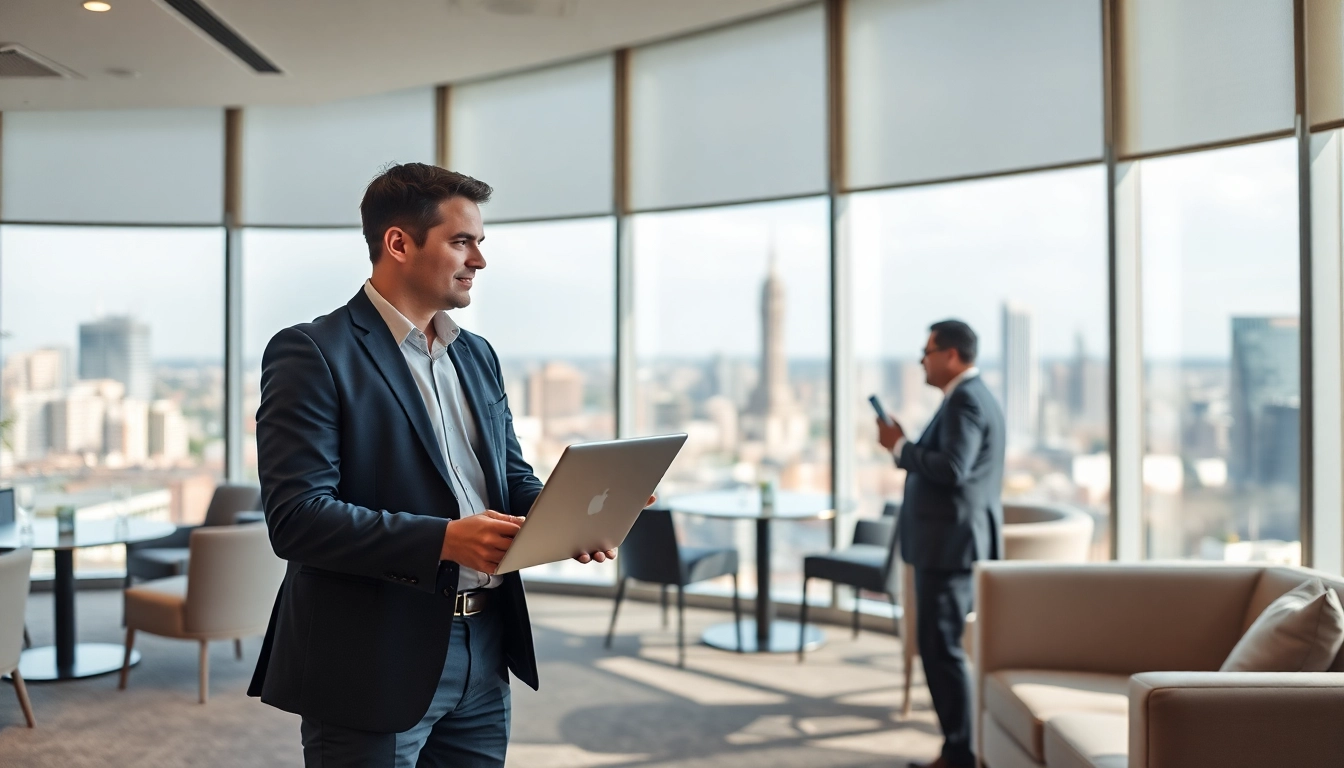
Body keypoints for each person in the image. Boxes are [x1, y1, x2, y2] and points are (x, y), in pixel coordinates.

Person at [247, 163, 634, 767]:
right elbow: (297, 519)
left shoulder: (476, 355)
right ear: (399, 243)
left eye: (480, 243)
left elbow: (509, 478)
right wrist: (446, 541)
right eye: (462, 241)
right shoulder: (312, 352)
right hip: (373, 654)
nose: (479, 260)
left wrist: (578, 512)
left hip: (485, 644)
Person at [876, 319, 1005, 768]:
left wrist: (899, 447)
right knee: (938, 646)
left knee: (940, 648)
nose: (921, 361)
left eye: (926, 352)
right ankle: (958, 749)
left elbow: (952, 468)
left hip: (950, 548)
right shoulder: (971, 397)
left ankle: (960, 754)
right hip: (950, 544)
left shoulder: (966, 401)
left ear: (951, 354)